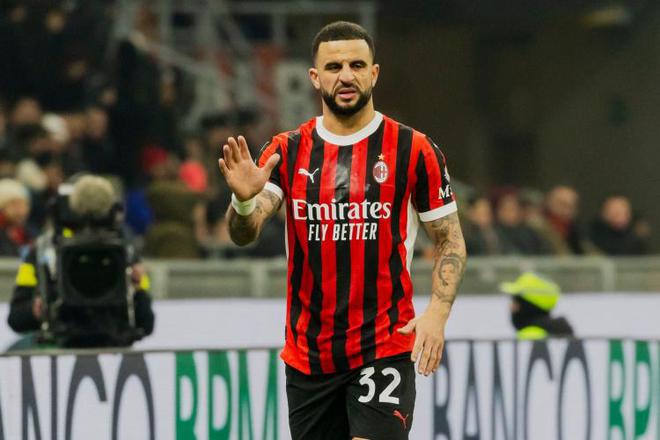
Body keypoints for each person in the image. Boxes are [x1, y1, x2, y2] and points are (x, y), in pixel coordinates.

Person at [217, 21, 466, 440]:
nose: (346, 76)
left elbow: (450, 240)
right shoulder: (286, 150)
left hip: (383, 345)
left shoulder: (414, 149)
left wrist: (437, 315)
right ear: (315, 78)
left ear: (374, 73)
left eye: (357, 65)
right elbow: (246, 231)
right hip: (309, 356)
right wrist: (243, 202)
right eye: (334, 67)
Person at [7, 175, 155, 347]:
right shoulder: (45, 252)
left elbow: (146, 321)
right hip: (62, 346)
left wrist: (137, 289)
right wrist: (37, 309)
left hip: (112, 343)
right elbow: (16, 318)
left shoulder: (124, 252)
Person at [500, 272, 574, 339]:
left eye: (515, 301)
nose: (511, 307)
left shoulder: (530, 336)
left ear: (528, 306)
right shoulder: (557, 332)